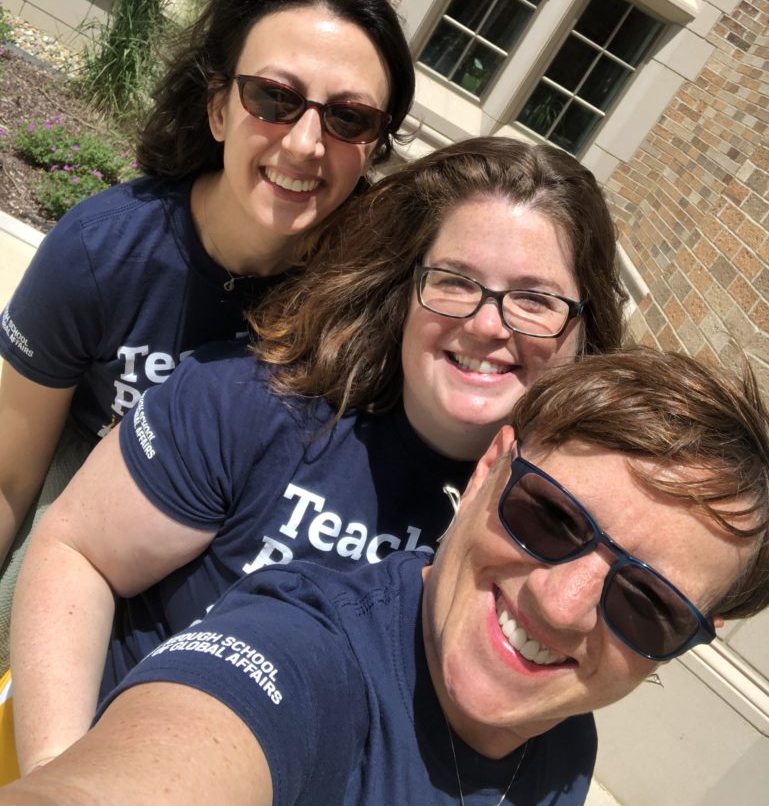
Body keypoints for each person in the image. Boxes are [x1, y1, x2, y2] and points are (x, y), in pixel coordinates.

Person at [10, 137, 626, 776]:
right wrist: (60, 769)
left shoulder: (569, 529)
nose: (487, 324)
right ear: (404, 286)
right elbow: (77, 552)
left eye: (535, 300)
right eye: (455, 280)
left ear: (584, 330)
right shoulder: (250, 404)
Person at [2, 347, 767, 806]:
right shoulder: (305, 649)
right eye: (550, 518)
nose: (562, 606)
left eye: (647, 604)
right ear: (486, 472)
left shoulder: (562, 747)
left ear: (695, 635)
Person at [0, 0, 414, 666]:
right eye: (274, 98)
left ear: (372, 146)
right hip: (98, 505)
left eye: (348, 118)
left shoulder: (371, 299)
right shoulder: (104, 253)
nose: (305, 143)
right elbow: (9, 477)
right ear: (219, 107)